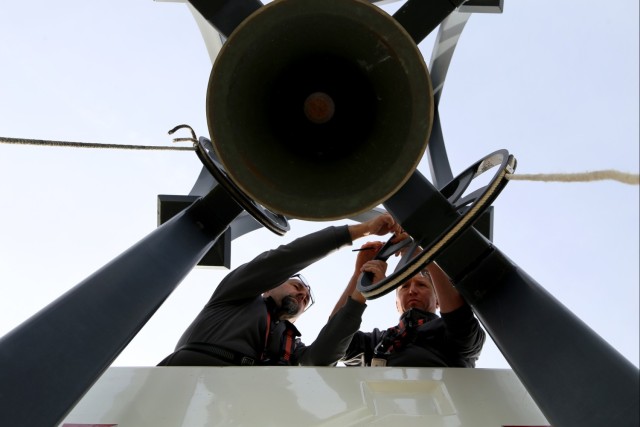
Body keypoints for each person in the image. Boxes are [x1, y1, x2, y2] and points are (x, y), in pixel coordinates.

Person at [158, 213, 401, 367]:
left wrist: (361, 282)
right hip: (186, 384)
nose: (302, 294)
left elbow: (323, 356)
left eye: (306, 299)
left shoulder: (290, 347)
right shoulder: (234, 295)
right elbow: (286, 259)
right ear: (268, 287)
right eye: (296, 286)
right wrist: (364, 229)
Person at [331, 239, 486, 367]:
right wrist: (359, 278)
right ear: (397, 304)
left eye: (422, 285)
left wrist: (424, 256)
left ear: (438, 300)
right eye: (404, 286)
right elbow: (332, 338)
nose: (412, 290)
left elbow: (461, 323)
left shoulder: (446, 331)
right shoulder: (377, 341)